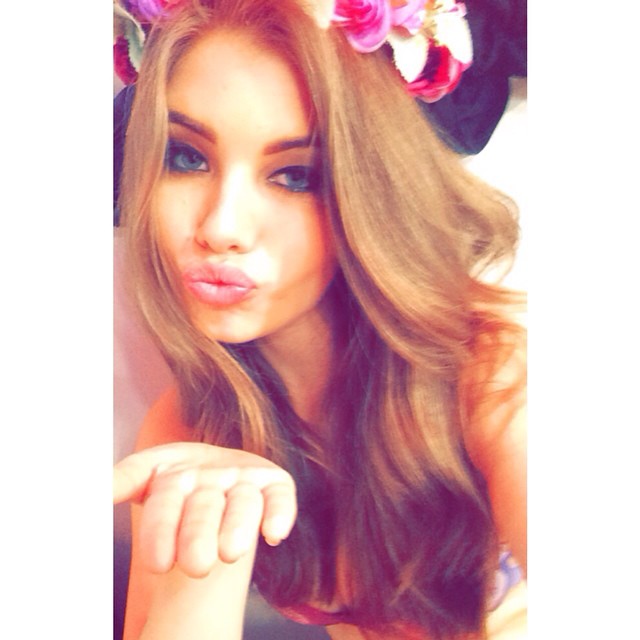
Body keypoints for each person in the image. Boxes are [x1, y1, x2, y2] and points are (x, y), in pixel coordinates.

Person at [113, 1, 527, 638]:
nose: (221, 227)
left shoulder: (494, 378)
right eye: (186, 158)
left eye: (296, 175)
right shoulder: (187, 430)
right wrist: (202, 571)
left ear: (375, 192)